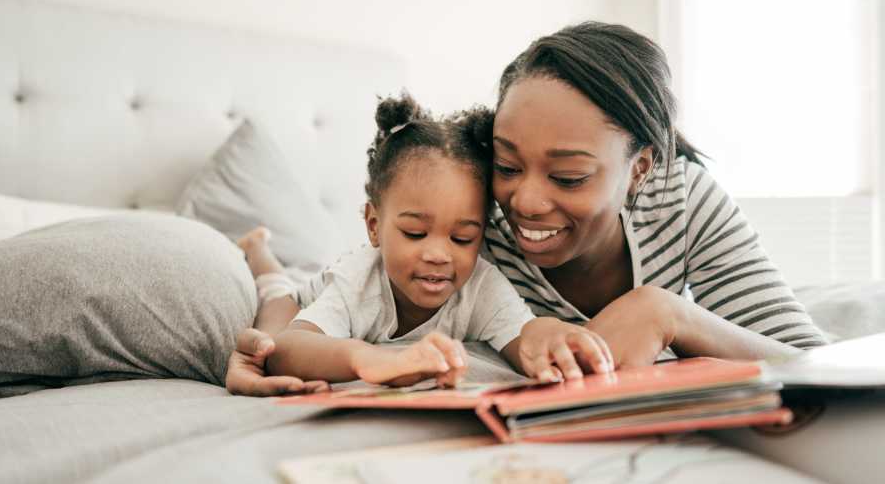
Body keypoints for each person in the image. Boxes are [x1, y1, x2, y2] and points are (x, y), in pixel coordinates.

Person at [225, 22, 826, 396]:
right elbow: (344, 300)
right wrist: (266, 346)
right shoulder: (466, 222)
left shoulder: (684, 198)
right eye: (507, 166)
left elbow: (821, 366)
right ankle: (260, 251)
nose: (524, 202)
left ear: (641, 167)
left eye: (568, 175)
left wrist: (670, 314)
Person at [233, 94, 614, 392]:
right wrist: (367, 360)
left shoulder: (481, 286)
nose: (437, 255)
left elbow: (523, 334)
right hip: (303, 298)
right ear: (373, 225)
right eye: (415, 233)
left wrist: (551, 335)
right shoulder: (358, 281)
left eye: (463, 238)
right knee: (273, 310)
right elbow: (289, 349)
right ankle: (258, 249)